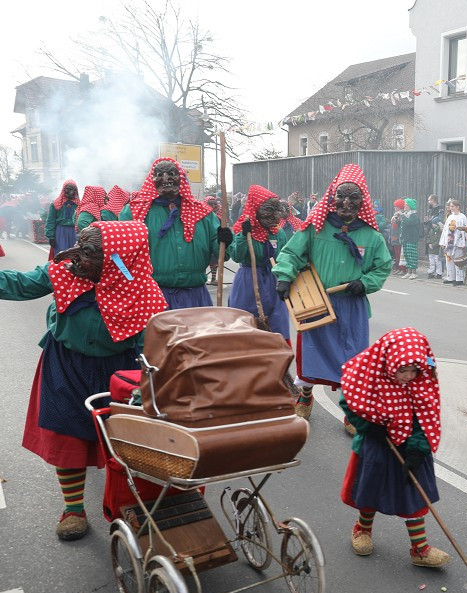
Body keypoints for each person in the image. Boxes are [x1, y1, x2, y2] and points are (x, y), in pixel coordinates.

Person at [0, 221, 168, 540]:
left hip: (119, 370)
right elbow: (20, 284)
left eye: (88, 252)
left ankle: (131, 503)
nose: (76, 256)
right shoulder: (66, 271)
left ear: (117, 258)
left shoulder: (141, 289)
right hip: (66, 363)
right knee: (67, 435)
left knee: (127, 441)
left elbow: (154, 343)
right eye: (79, 246)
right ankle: (74, 508)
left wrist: (148, 380)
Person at [271, 164, 393, 423]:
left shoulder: (372, 236)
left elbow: (382, 267)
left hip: (352, 306)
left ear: (363, 202)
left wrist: (366, 283)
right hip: (316, 302)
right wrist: (284, 276)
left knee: (354, 358)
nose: (346, 202)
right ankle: (305, 394)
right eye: (341, 196)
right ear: (332, 197)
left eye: (353, 197)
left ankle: (351, 407)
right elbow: (291, 254)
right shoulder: (315, 227)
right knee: (313, 352)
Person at [340, 327, 450, 568]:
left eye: (414, 370)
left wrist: (418, 449)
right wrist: (368, 426)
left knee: (414, 494)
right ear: (389, 362)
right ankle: (362, 530)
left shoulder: (422, 382)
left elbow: (427, 417)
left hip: (408, 447)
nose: (409, 376)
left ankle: (419, 549)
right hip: (376, 446)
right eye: (403, 370)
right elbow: (348, 401)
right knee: (370, 490)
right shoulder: (367, 374)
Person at [120, 157, 223, 309]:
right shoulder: (134, 212)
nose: (165, 179)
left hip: (195, 298)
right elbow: (119, 255)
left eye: (171, 174)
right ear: (152, 180)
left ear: (180, 177)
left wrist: (224, 240)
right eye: (159, 175)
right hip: (153, 297)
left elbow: (223, 253)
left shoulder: (204, 214)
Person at [227, 185, 291, 342]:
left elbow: (285, 257)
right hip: (248, 281)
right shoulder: (245, 230)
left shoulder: (279, 233)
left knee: (277, 324)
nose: (276, 216)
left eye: (277, 211)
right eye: (270, 210)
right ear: (256, 209)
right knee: (246, 324)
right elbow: (236, 255)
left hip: (273, 281)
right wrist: (243, 234)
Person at [45, 180, 80, 255]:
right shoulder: (55, 204)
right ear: (64, 190)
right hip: (60, 232)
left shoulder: (79, 204)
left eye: (74, 190)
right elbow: (51, 221)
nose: (71, 192)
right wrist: (51, 237)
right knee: (61, 254)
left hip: (74, 232)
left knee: (75, 255)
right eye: (69, 189)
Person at [440, 198, 467, 286]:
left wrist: (463, 242)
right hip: (450, 241)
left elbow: (464, 230)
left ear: (457, 207)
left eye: (452, 206)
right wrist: (443, 241)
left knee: (458, 260)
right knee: (449, 259)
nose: (451, 208)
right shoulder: (450, 216)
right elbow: (445, 229)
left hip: (458, 241)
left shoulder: (462, 216)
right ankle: (450, 277)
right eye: (450, 206)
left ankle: (459, 278)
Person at [400, 198, 422, 279]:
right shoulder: (406, 215)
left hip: (412, 238)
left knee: (412, 255)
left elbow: (409, 223)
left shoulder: (414, 216)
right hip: (405, 238)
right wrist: (398, 220)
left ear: (410, 206)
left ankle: (414, 272)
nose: (404, 206)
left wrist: (402, 217)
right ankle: (409, 272)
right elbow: (403, 225)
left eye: (406, 204)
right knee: (407, 255)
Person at [424, 194, 444, 279]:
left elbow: (439, 218)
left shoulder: (440, 209)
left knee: (437, 257)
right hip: (430, 230)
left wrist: (432, 221)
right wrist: (426, 221)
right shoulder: (430, 210)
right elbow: (429, 220)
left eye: (429, 200)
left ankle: (439, 272)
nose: (428, 202)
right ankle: (432, 271)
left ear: (433, 200)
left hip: (437, 229)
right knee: (431, 256)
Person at [389, 198, 406, 275]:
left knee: (400, 254)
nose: (394, 208)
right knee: (396, 254)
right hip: (394, 236)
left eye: (396, 206)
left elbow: (399, 227)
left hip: (398, 236)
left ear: (399, 207)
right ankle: (399, 267)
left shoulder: (401, 215)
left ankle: (402, 268)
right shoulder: (395, 215)